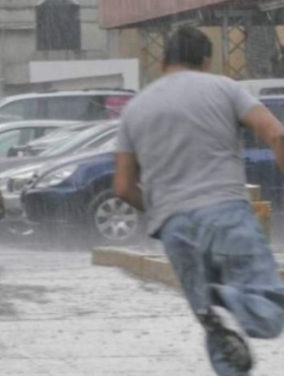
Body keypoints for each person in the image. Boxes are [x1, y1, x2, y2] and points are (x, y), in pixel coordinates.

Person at [114, 26, 284, 376]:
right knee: (267, 311)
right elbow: (276, 133)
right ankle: (227, 298)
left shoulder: (135, 109)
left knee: (219, 336)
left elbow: (123, 187)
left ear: (163, 61)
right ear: (206, 60)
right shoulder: (224, 88)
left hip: (175, 230)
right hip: (226, 214)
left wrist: (163, 209)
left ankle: (216, 305)